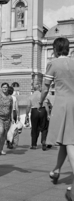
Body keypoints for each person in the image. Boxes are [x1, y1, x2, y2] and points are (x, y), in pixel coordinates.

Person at [39, 37, 74, 200]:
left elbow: (45, 87)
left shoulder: (53, 63)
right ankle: (57, 170)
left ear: (55, 48)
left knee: (70, 143)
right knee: (66, 140)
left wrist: (41, 100)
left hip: (62, 104)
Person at [26, 83, 48, 151]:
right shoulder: (42, 96)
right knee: (44, 127)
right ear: (39, 88)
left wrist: (27, 115)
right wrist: (48, 114)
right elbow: (46, 106)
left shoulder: (31, 96)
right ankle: (44, 141)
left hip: (34, 111)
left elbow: (28, 106)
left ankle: (34, 145)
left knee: (34, 128)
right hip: (42, 110)